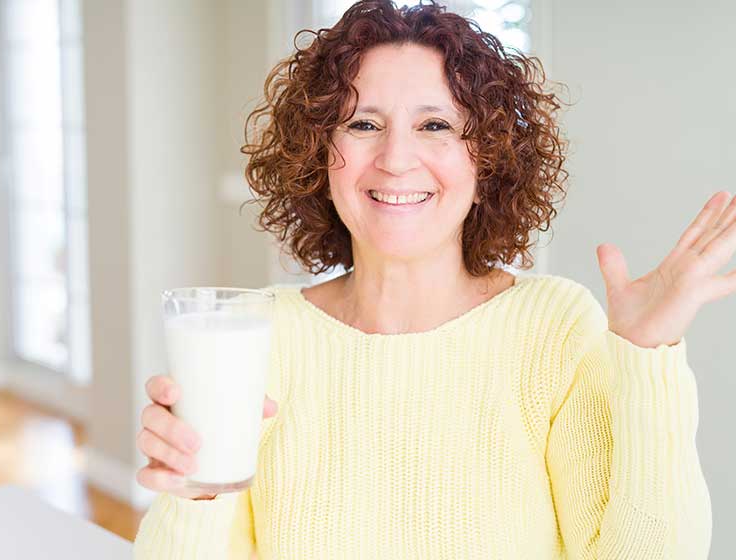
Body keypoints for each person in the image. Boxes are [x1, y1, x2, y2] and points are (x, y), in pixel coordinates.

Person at [133, 1, 726, 558]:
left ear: (487, 156)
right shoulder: (256, 334)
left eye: (435, 125)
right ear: (320, 151)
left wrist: (649, 358)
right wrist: (196, 489)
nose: (395, 158)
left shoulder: (552, 327)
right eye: (364, 124)